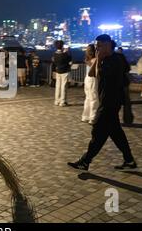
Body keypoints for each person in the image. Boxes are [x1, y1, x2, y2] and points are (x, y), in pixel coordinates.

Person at [68, 35, 137, 171]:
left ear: (107, 45)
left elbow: (102, 73)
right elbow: (91, 74)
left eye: (99, 45)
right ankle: (129, 160)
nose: (97, 48)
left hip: (111, 101)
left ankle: (85, 161)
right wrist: (98, 58)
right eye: (96, 46)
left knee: (98, 132)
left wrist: (99, 60)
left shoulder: (115, 60)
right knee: (115, 132)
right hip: (106, 100)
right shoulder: (104, 59)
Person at [81, 44, 98, 124]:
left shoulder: (87, 59)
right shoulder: (95, 60)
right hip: (92, 79)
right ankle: (92, 117)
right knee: (94, 98)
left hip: (87, 79)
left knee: (88, 98)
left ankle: (85, 116)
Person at [52, 40, 72, 106]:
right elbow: (70, 60)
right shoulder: (65, 54)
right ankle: (62, 101)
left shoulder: (54, 54)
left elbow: (54, 62)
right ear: (62, 46)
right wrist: (67, 51)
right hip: (64, 71)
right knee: (63, 86)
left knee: (57, 86)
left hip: (58, 71)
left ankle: (56, 101)